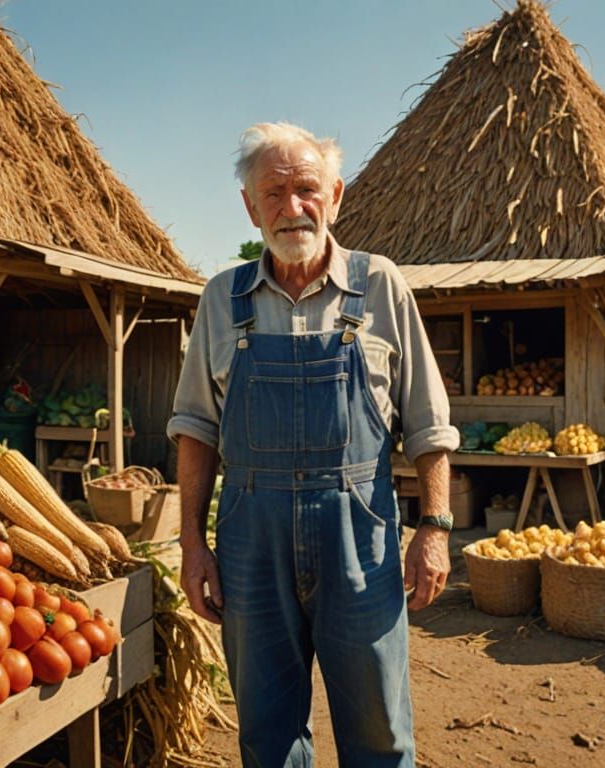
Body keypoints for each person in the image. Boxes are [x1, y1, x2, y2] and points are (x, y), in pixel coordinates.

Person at [167, 122, 459, 767]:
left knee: (379, 726)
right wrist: (192, 541)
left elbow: (429, 425)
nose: (291, 207)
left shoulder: (380, 285)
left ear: (335, 196)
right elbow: (195, 427)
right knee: (267, 731)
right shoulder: (223, 297)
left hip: (361, 531)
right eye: (273, 193)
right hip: (251, 536)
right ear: (250, 206)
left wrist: (435, 527)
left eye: (306, 189)